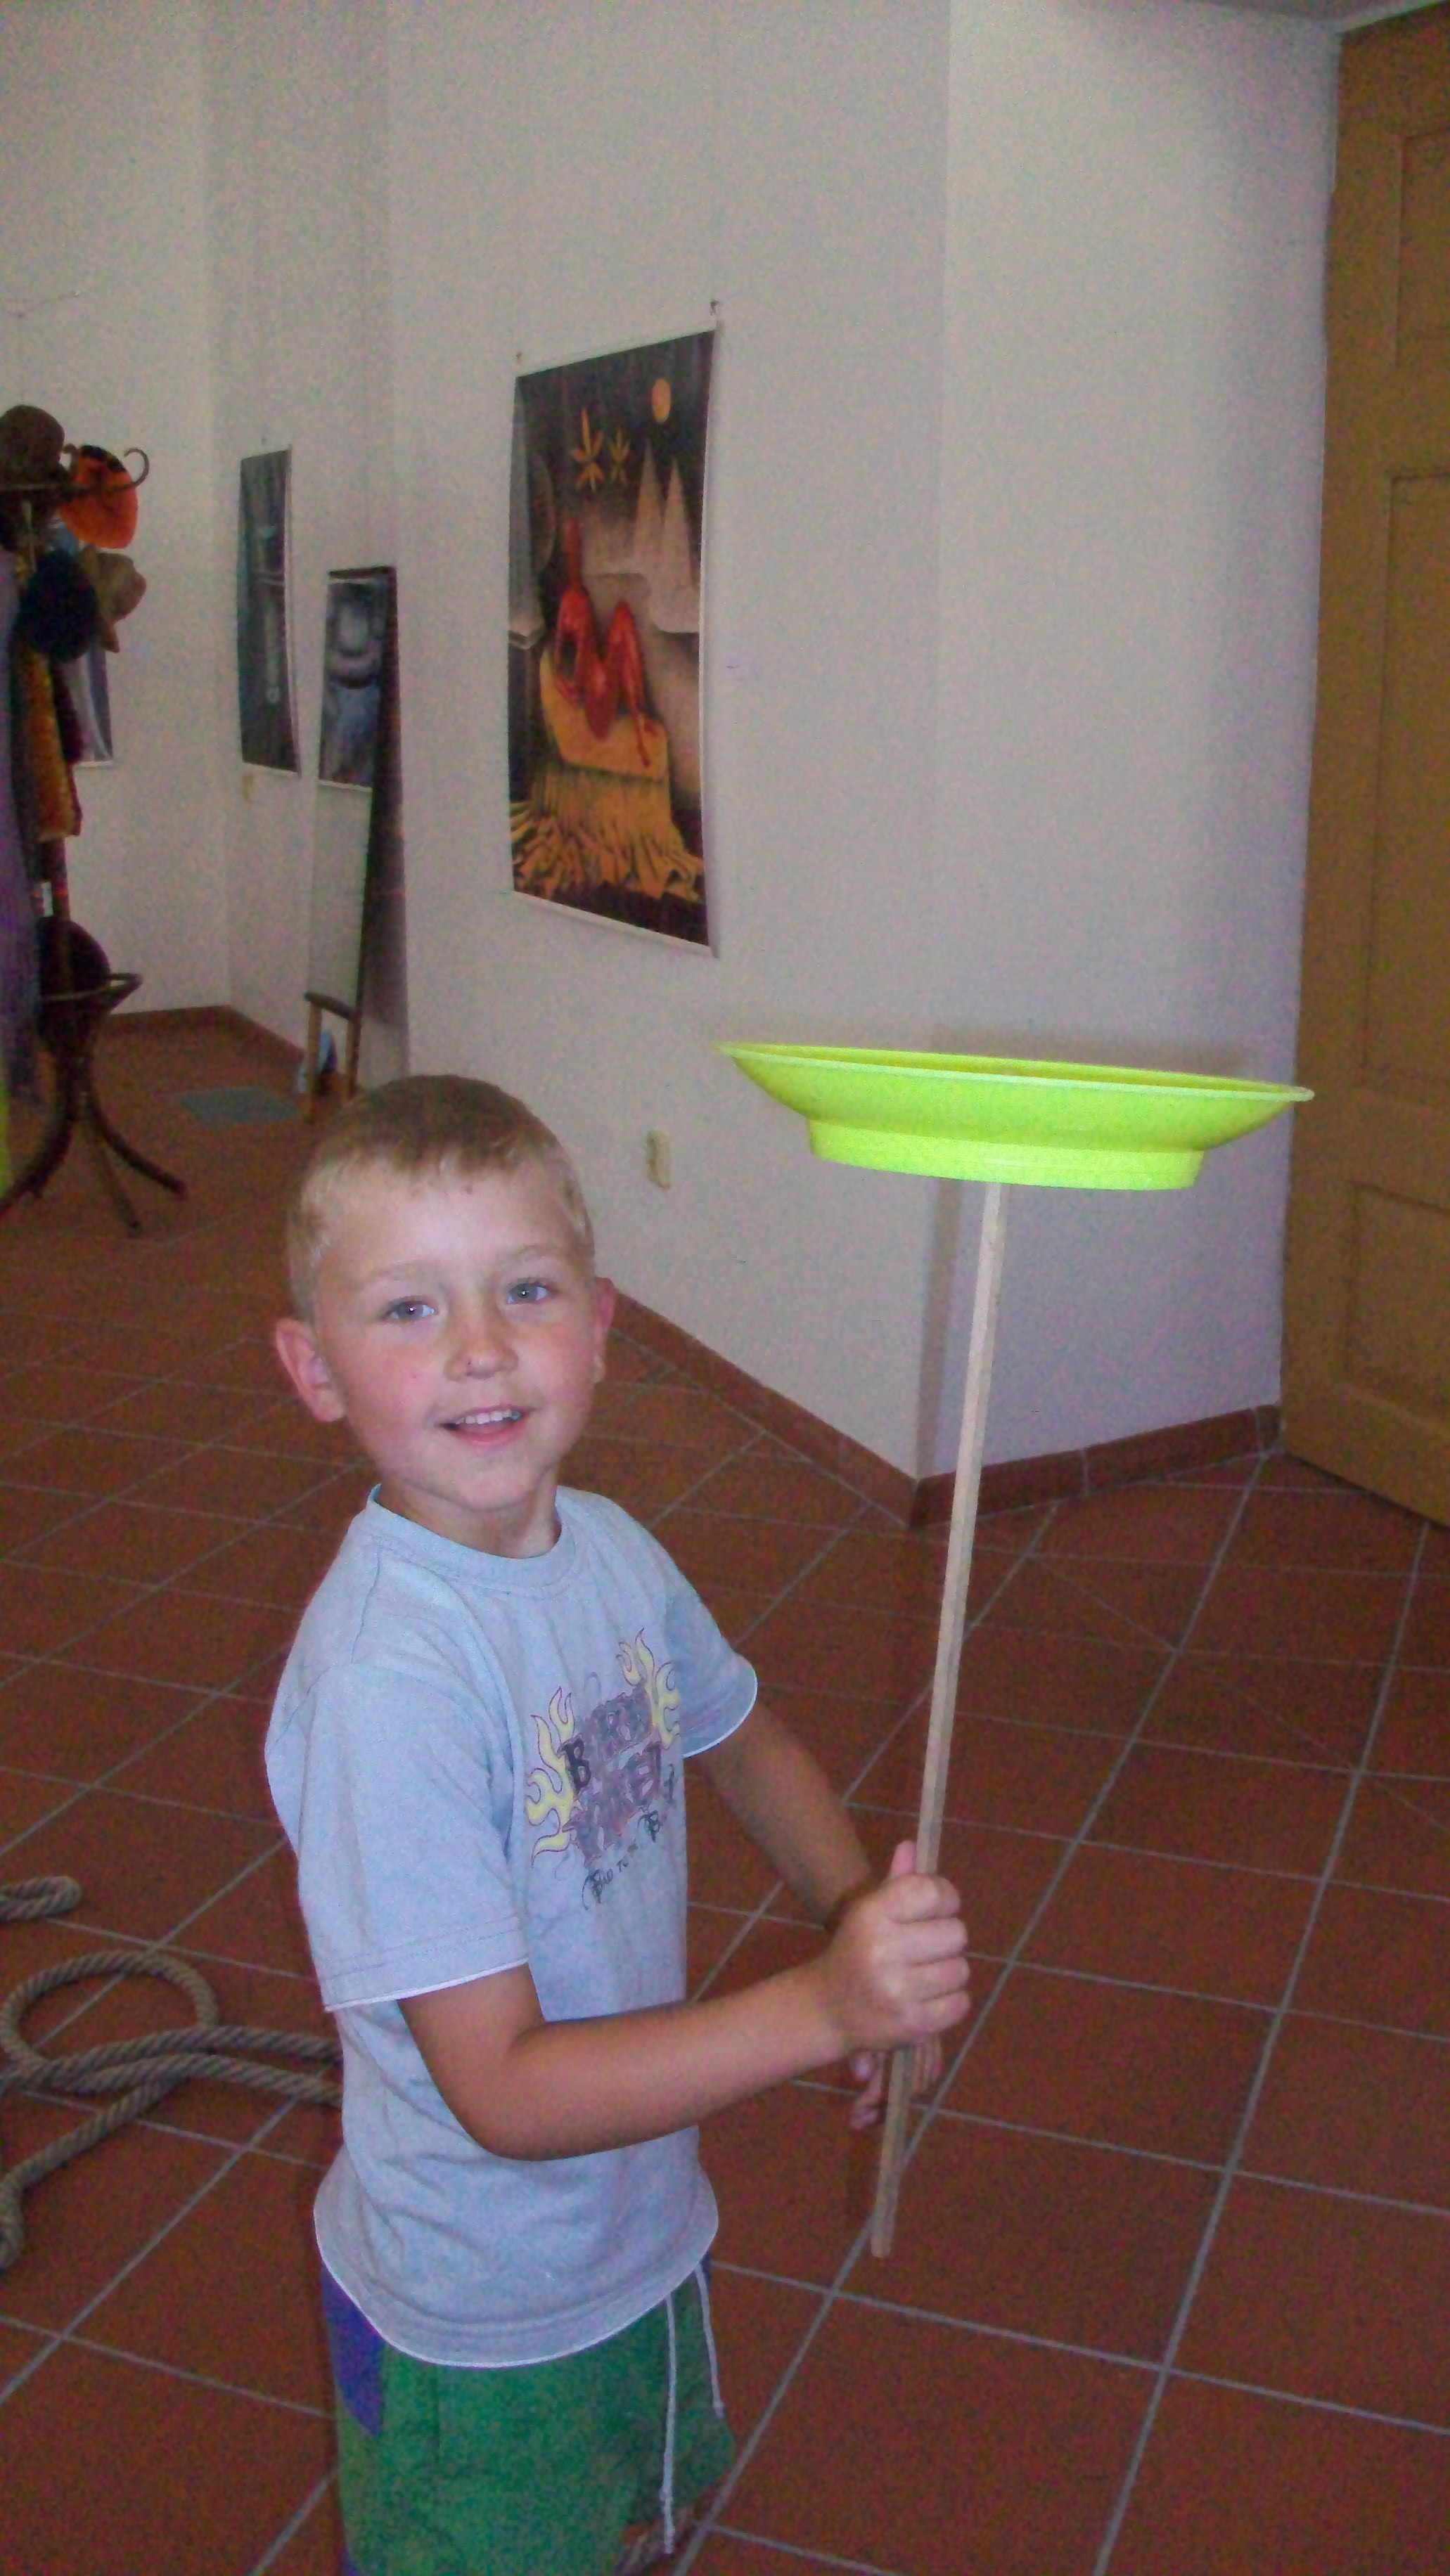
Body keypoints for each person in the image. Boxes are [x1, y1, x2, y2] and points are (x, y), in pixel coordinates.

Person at [267, 1074, 969, 2576]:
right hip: (484, 2306)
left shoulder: (611, 1551)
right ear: (314, 1368)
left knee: (621, 2511)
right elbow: (504, 2092)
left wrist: (854, 1910)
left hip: (636, 2218)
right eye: (407, 1308)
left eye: (524, 1289)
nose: (478, 1345)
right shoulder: (390, 1686)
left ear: (597, 1327)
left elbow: (740, 1739)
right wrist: (820, 2006)